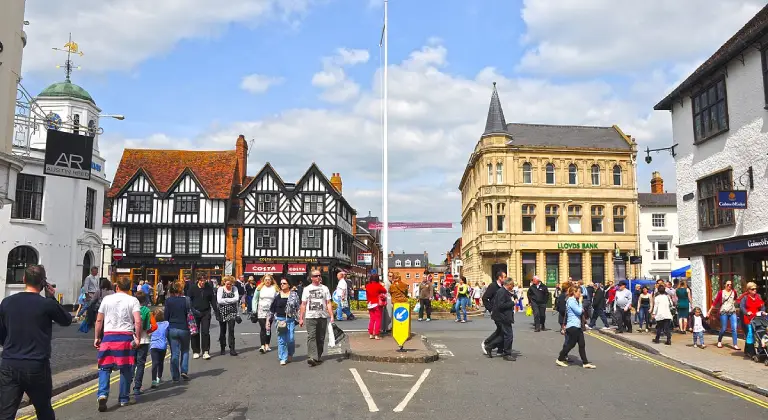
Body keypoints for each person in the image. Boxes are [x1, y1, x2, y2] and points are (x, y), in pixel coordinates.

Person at [0, 265, 72, 420]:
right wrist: (51, 297)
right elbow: (67, 320)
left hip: (10, 363)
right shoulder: (47, 304)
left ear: (24, 279)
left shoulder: (6, 302)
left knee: (5, 414)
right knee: (43, 410)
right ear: (43, 282)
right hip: (36, 364)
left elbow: (1, 334)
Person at [94, 276, 142, 412]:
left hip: (108, 337)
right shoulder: (133, 300)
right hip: (125, 337)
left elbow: (99, 320)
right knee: (126, 368)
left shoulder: (107, 299)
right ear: (129, 287)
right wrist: (137, 338)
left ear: (117, 287)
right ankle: (123, 399)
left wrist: (97, 337)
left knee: (104, 367)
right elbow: (137, 321)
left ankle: (102, 394)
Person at [299, 270, 334, 366]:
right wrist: (301, 318)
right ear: (311, 278)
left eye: (319, 275)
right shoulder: (306, 289)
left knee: (321, 338)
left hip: (322, 316)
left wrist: (331, 315)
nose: (318, 277)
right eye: (316, 276)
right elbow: (303, 304)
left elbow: (328, 303)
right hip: (310, 316)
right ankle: (312, 357)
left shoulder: (325, 288)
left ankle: (317, 356)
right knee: (311, 337)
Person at [556, 285, 595, 369]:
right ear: (574, 292)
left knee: (581, 344)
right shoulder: (571, 301)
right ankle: (560, 358)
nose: (580, 294)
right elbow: (579, 311)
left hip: (577, 326)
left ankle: (585, 363)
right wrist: (580, 302)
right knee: (571, 344)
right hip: (573, 326)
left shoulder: (574, 300)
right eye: (579, 292)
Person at [164, 282, 196, 383]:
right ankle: (184, 371)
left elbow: (166, 317)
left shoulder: (168, 301)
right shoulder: (186, 300)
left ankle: (175, 376)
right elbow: (190, 313)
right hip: (184, 328)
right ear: (181, 290)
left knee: (175, 353)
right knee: (185, 350)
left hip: (172, 328)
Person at [269, 279, 300, 365]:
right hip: (280, 319)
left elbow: (298, 307)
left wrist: (300, 318)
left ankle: (290, 354)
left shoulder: (294, 295)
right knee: (281, 340)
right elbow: (272, 308)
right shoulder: (277, 295)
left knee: (290, 339)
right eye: (281, 283)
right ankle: (282, 357)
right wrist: (269, 320)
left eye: (284, 283)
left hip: (290, 320)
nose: (282, 285)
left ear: (289, 285)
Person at [187, 272, 217, 360]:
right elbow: (189, 301)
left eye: (204, 280)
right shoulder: (192, 288)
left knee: (206, 332)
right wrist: (192, 310)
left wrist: (216, 311)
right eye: (201, 280)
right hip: (195, 312)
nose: (203, 282)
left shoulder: (209, 287)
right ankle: (196, 351)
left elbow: (212, 300)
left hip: (206, 312)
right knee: (195, 332)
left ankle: (206, 351)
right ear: (198, 280)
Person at [485, 277, 517, 361]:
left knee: (503, 335)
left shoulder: (505, 291)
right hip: (502, 317)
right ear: (509, 284)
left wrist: (513, 295)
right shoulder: (502, 292)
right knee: (509, 335)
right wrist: (513, 303)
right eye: (512, 285)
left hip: (503, 316)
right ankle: (507, 353)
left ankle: (490, 346)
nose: (513, 286)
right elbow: (501, 305)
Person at [132, 291, 156, 398]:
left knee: (131, 363)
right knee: (141, 364)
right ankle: (137, 387)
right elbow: (151, 326)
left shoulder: (131, 309)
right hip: (144, 340)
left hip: (132, 340)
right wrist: (148, 331)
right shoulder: (147, 311)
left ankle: (127, 384)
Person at [708, 280, 740, 350]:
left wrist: (734, 304)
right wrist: (710, 311)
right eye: (728, 285)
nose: (729, 286)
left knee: (734, 328)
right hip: (724, 312)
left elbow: (735, 299)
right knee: (724, 328)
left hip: (732, 312)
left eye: (730, 284)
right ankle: (719, 341)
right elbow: (715, 302)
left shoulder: (734, 292)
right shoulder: (721, 293)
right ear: (725, 285)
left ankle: (735, 344)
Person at [481, 272, 505, 356]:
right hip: (496, 312)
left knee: (501, 330)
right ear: (499, 278)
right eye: (504, 277)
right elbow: (484, 298)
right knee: (502, 330)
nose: (505, 279)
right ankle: (487, 343)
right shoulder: (493, 286)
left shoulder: (503, 286)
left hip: (503, 312)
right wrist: (490, 309)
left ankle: (500, 349)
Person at [254, 274, 278, 354]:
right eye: (266, 279)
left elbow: (278, 299)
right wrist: (254, 310)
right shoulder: (259, 288)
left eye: (269, 279)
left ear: (271, 280)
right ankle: (262, 346)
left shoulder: (275, 288)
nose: (267, 281)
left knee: (268, 328)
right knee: (263, 328)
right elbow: (255, 299)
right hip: (261, 310)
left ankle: (267, 344)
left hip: (270, 311)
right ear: (263, 280)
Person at [740, 282, 765, 357]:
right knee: (750, 333)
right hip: (749, 318)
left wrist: (762, 311)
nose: (755, 290)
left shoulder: (758, 296)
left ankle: (751, 350)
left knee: (760, 333)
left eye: (755, 289)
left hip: (757, 317)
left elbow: (762, 305)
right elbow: (742, 307)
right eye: (752, 289)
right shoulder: (745, 298)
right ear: (749, 290)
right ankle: (751, 352)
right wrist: (747, 312)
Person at [217, 276, 240, 356]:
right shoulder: (220, 289)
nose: (228, 285)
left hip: (232, 312)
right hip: (222, 311)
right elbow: (219, 301)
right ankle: (222, 347)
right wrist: (230, 300)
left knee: (231, 330)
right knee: (222, 330)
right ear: (224, 283)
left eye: (230, 284)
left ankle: (232, 349)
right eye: (227, 284)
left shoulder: (235, 288)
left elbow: (236, 299)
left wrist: (225, 300)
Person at [149, 308, 169, 388]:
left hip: (153, 346)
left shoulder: (152, 325)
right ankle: (159, 377)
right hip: (162, 346)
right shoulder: (166, 323)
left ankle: (153, 380)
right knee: (161, 362)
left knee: (154, 363)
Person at [365, 275, 387, 339]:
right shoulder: (378, 285)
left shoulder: (368, 286)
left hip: (370, 303)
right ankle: (376, 334)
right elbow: (385, 291)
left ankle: (371, 334)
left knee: (372, 319)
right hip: (377, 304)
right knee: (378, 319)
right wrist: (382, 285)